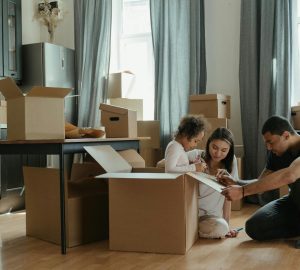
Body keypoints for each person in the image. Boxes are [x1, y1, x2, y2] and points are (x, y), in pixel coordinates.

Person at [220, 115, 300, 241]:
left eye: (270, 142)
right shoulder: (276, 153)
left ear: (286, 135)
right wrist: (237, 182)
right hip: (295, 202)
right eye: (266, 143)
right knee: (254, 227)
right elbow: (261, 183)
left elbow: (289, 175)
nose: (268, 147)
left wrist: (243, 191)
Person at [164, 117, 240, 238]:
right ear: (208, 143)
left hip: (210, 217)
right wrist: (190, 166)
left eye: (224, 150)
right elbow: (164, 164)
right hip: (189, 212)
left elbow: (228, 197)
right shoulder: (196, 155)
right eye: (214, 147)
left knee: (221, 228)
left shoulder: (231, 163)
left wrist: (227, 224)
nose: (218, 153)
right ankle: (188, 230)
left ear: (229, 151)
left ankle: (188, 231)